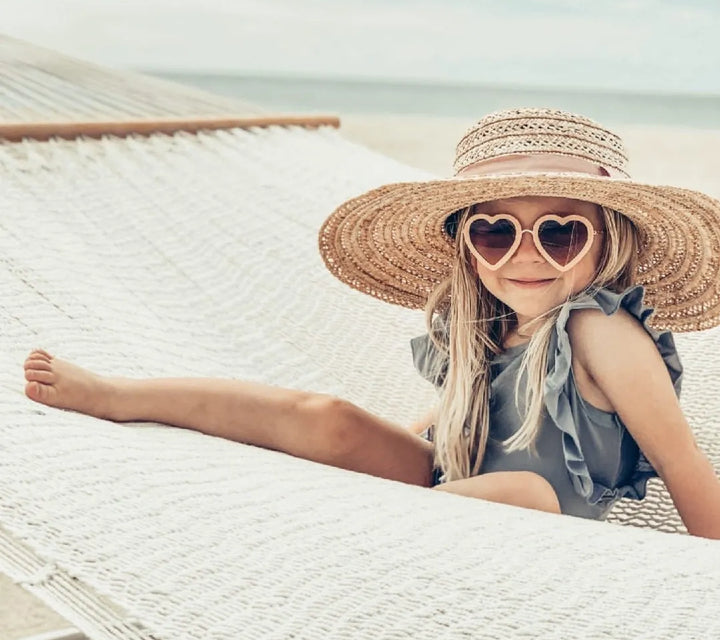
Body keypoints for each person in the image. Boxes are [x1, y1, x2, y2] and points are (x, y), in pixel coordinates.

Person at [22, 107, 720, 537]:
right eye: (495, 233)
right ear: (467, 250)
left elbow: (679, 460)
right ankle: (120, 397)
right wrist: (374, 442)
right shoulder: (490, 333)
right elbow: (457, 429)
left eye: (561, 233)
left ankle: (302, 528)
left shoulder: (598, 331)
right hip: (448, 494)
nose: (525, 256)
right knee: (327, 415)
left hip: (538, 521)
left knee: (523, 489)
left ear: (608, 240)